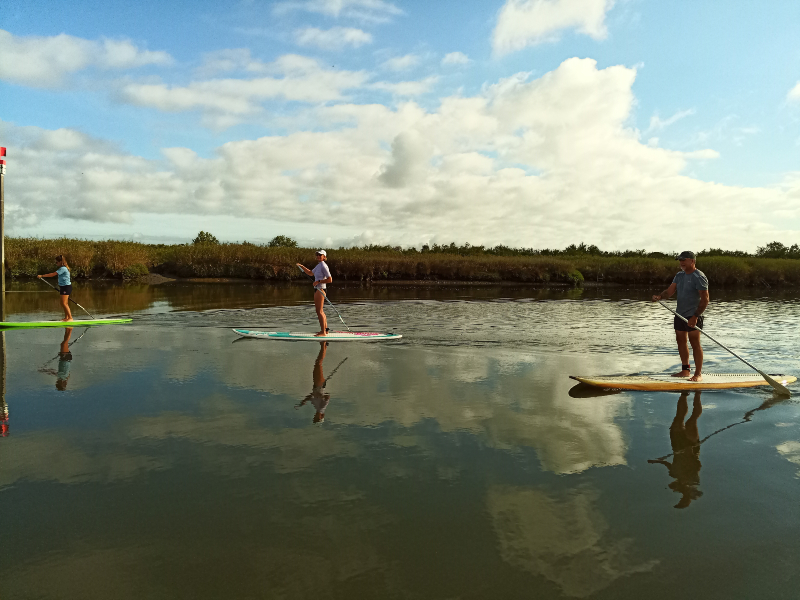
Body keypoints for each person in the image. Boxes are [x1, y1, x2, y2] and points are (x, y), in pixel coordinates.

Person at [652, 250, 709, 382]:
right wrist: (659, 297)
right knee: (681, 341)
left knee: (695, 343)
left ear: (692, 261)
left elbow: (705, 299)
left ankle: (698, 374)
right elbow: (669, 292)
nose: (681, 262)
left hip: (693, 315)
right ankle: (685, 370)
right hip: (680, 314)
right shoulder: (679, 275)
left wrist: (695, 316)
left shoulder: (699, 276)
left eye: (684, 260)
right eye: (680, 260)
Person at [648, 391, 703, 509]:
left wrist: (658, 461)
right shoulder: (693, 479)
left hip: (677, 445)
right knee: (692, 420)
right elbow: (698, 465)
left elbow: (668, 464)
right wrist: (691, 453)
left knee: (679, 418)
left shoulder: (674, 474)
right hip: (691, 447)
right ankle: (698, 393)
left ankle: (684, 394)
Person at [296, 250, 332, 337]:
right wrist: (301, 266)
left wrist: (318, 281)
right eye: (317, 255)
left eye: (320, 255)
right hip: (317, 289)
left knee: (319, 311)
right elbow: (310, 273)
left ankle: (323, 332)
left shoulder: (324, 266)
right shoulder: (319, 265)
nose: (318, 256)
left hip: (321, 289)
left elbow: (330, 279)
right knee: (320, 311)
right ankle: (325, 330)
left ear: (324, 257)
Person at [296, 342, 331, 423]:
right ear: (321, 416)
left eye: (315, 418)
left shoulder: (317, 407)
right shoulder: (321, 408)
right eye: (317, 418)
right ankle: (323, 344)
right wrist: (320, 395)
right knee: (318, 363)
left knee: (318, 363)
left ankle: (324, 346)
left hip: (316, 385)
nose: (315, 417)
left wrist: (305, 400)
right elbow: (328, 397)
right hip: (320, 385)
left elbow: (311, 396)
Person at [37, 254, 73, 322]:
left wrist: (42, 276)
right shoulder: (62, 268)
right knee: (62, 303)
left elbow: (53, 274)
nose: (56, 263)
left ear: (60, 262)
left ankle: (70, 318)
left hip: (66, 287)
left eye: (57, 262)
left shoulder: (63, 268)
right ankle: (66, 318)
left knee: (64, 303)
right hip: (63, 287)